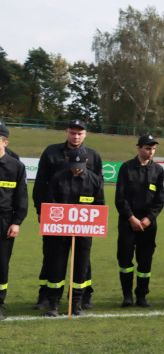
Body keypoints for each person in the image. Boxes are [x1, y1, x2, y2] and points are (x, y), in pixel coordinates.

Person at [32, 119, 102, 309]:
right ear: (67, 132)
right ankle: (45, 296)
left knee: (83, 260)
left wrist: (96, 219)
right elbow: (40, 184)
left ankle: (83, 296)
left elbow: (98, 190)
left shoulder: (93, 156)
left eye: (80, 133)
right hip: (54, 216)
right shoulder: (51, 152)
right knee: (51, 255)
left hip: (83, 222)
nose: (76, 136)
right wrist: (41, 210)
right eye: (72, 132)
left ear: (85, 134)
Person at [44, 148, 105, 316]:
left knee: (81, 267)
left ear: (86, 162)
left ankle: (76, 303)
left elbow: (99, 206)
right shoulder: (57, 179)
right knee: (56, 267)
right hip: (60, 233)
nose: (76, 169)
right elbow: (50, 204)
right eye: (73, 165)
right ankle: (53, 304)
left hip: (84, 233)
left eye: (79, 165)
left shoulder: (94, 180)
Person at [114, 134, 164, 307]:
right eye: (147, 148)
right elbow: (120, 198)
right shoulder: (126, 168)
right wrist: (131, 218)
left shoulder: (158, 170)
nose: (150, 151)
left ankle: (142, 296)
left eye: (153, 149)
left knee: (145, 260)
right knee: (125, 260)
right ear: (138, 148)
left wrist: (149, 218)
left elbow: (160, 199)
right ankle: (127, 295)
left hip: (148, 224)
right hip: (128, 222)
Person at [0, 121, 28, 319]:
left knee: (1, 263)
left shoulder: (15, 166)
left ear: (5, 141)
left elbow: (22, 198)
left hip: (4, 221)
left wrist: (17, 222)